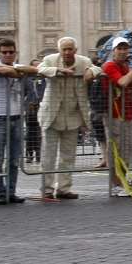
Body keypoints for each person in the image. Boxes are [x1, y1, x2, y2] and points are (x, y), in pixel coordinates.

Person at [35, 37, 100, 200]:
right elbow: (40, 69)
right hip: (52, 114)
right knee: (48, 155)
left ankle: (64, 188)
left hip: (72, 115)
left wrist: (92, 72)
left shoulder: (84, 61)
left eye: (70, 49)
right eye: (64, 49)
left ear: (75, 50)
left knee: (68, 155)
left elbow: (98, 68)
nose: (67, 52)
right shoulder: (50, 60)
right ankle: (47, 189)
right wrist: (58, 71)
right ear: (59, 50)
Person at [0, 38, 38, 204]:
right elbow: (4, 70)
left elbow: (35, 71)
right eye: (4, 52)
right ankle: (0, 193)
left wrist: (23, 71)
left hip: (16, 116)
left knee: (15, 159)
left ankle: (11, 191)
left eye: (11, 52)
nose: (8, 54)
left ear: (15, 52)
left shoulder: (19, 67)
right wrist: (21, 71)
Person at [102, 37, 132, 194]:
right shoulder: (110, 66)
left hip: (126, 112)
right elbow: (122, 82)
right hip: (114, 114)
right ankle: (116, 184)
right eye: (119, 48)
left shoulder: (125, 66)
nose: (123, 51)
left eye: (125, 48)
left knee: (127, 149)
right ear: (113, 51)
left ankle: (124, 181)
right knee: (116, 149)